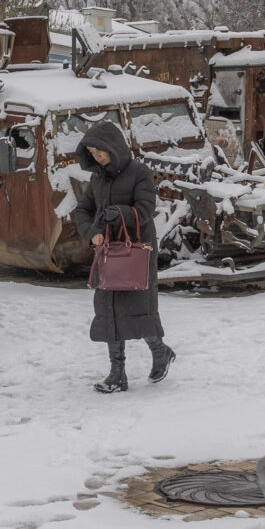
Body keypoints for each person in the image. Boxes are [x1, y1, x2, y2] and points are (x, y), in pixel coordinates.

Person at [72, 120, 175, 393]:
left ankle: (160, 351)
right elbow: (82, 211)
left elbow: (145, 208)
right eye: (92, 153)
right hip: (108, 253)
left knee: (138, 309)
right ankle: (117, 375)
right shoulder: (97, 178)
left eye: (99, 151)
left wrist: (121, 213)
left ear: (113, 147)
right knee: (109, 310)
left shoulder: (139, 172)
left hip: (136, 252)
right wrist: (92, 232)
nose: (96, 157)